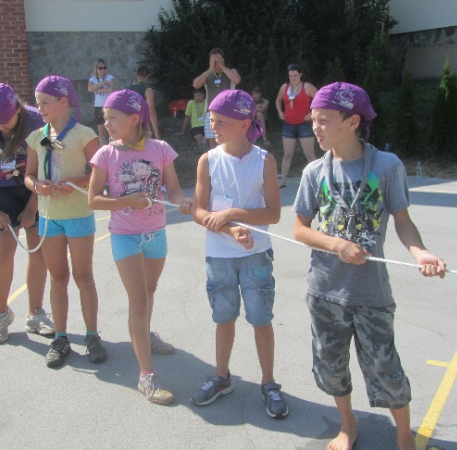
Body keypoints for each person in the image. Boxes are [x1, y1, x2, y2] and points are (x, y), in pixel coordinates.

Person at [293, 82, 446, 450]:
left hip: (371, 293)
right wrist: (336, 244)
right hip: (324, 290)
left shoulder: (387, 166)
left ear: (352, 122)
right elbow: (299, 229)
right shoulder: (314, 171)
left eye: (324, 120)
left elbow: (403, 221)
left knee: (385, 367)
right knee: (331, 365)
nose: (315, 128)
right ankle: (348, 425)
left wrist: (421, 253)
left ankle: (404, 436)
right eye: (313, 120)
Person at [88, 89, 193, 405]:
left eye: (113, 118)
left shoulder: (160, 149)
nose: (107, 124)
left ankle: (145, 335)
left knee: (149, 291)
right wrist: (126, 201)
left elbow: (174, 189)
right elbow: (93, 199)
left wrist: (183, 201)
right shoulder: (105, 155)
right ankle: (146, 375)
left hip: (156, 233)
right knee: (137, 300)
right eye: (105, 118)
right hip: (125, 236)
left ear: (134, 119)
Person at [191, 89, 288, 419]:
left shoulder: (264, 160)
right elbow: (200, 212)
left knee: (261, 319)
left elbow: (273, 213)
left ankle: (269, 383)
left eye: (221, 121)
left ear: (245, 123)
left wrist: (233, 213)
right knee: (224, 318)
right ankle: (222, 377)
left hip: (256, 254)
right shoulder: (208, 160)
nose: (213, 127)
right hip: (219, 255)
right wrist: (231, 230)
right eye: (211, 120)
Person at [25, 75, 107, 368]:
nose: (39, 108)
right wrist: (38, 186)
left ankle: (92, 335)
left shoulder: (84, 134)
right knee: (57, 278)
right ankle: (60, 337)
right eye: (37, 103)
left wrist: (76, 182)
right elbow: (29, 175)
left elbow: (100, 173)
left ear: (63, 102)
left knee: (84, 277)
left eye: (44, 102)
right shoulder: (37, 136)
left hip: (78, 216)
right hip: (50, 218)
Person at [0, 83, 54, 345]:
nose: (2, 128)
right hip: (0, 189)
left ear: (17, 108)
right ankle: (0, 315)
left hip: (34, 187)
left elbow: (49, 166)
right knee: (2, 251)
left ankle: (36, 313)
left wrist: (32, 207)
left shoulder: (37, 121)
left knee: (38, 249)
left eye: (6, 122)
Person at [275, 63, 318, 188]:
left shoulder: (307, 87)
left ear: (300, 74)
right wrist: (280, 111)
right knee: (287, 154)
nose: (293, 78)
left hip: (304, 124)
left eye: (295, 75)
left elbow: (320, 100)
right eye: (291, 76)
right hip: (288, 124)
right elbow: (278, 100)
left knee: (310, 155)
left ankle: (317, 180)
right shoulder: (285, 87)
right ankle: (283, 180)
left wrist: (312, 113)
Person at [193, 47, 241, 150]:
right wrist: (210, 69)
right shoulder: (207, 74)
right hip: (211, 113)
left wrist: (222, 66)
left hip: (228, 112)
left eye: (218, 60)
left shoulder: (231, 71)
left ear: (223, 59)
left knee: (227, 142)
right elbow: (196, 84)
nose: (216, 63)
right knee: (213, 143)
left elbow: (237, 80)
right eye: (213, 60)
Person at [126, 65, 161, 139]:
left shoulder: (127, 88)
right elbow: (151, 111)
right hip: (141, 123)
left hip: (128, 123)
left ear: (136, 75)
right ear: (147, 77)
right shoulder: (147, 89)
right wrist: (156, 132)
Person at [88, 58, 114, 145]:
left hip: (108, 106)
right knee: (101, 133)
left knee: (111, 131)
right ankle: (103, 149)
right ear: (96, 69)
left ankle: (112, 148)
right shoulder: (92, 79)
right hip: (98, 106)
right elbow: (90, 89)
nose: (102, 70)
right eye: (100, 68)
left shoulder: (109, 77)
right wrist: (100, 84)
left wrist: (99, 90)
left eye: (104, 68)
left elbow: (110, 88)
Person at [177, 87, 206, 151]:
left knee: (206, 137)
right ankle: (200, 147)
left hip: (206, 125)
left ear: (203, 95)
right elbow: (187, 117)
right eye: (195, 96)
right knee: (199, 137)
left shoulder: (207, 101)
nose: (197, 98)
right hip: (196, 127)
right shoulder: (191, 103)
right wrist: (183, 131)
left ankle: (203, 148)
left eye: (199, 95)